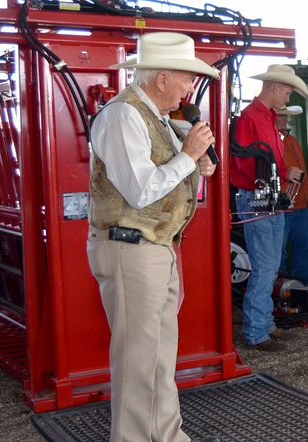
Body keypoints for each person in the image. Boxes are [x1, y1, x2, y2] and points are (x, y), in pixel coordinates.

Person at [86, 32, 220, 442]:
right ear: (161, 79)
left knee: (159, 359)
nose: (190, 89)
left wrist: (196, 165)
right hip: (130, 249)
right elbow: (140, 190)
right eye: (186, 80)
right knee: (139, 362)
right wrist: (188, 157)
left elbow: (167, 186)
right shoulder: (123, 116)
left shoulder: (157, 118)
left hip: (153, 248)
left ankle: (168, 436)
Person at [230, 65, 308, 351]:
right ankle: (255, 332)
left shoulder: (264, 118)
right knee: (265, 267)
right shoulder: (251, 118)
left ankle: (264, 325)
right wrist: (281, 172)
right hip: (256, 198)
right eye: (287, 92)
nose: (287, 98)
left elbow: (262, 162)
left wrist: (284, 171)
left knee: (270, 266)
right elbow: (245, 163)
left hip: (264, 198)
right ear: (275, 88)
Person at [275, 105, 308, 284]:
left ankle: (300, 288)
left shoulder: (292, 140)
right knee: (279, 251)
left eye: (286, 116)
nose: (285, 119)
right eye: (282, 115)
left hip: (299, 206)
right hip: (284, 207)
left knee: (304, 246)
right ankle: (283, 292)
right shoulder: (276, 140)